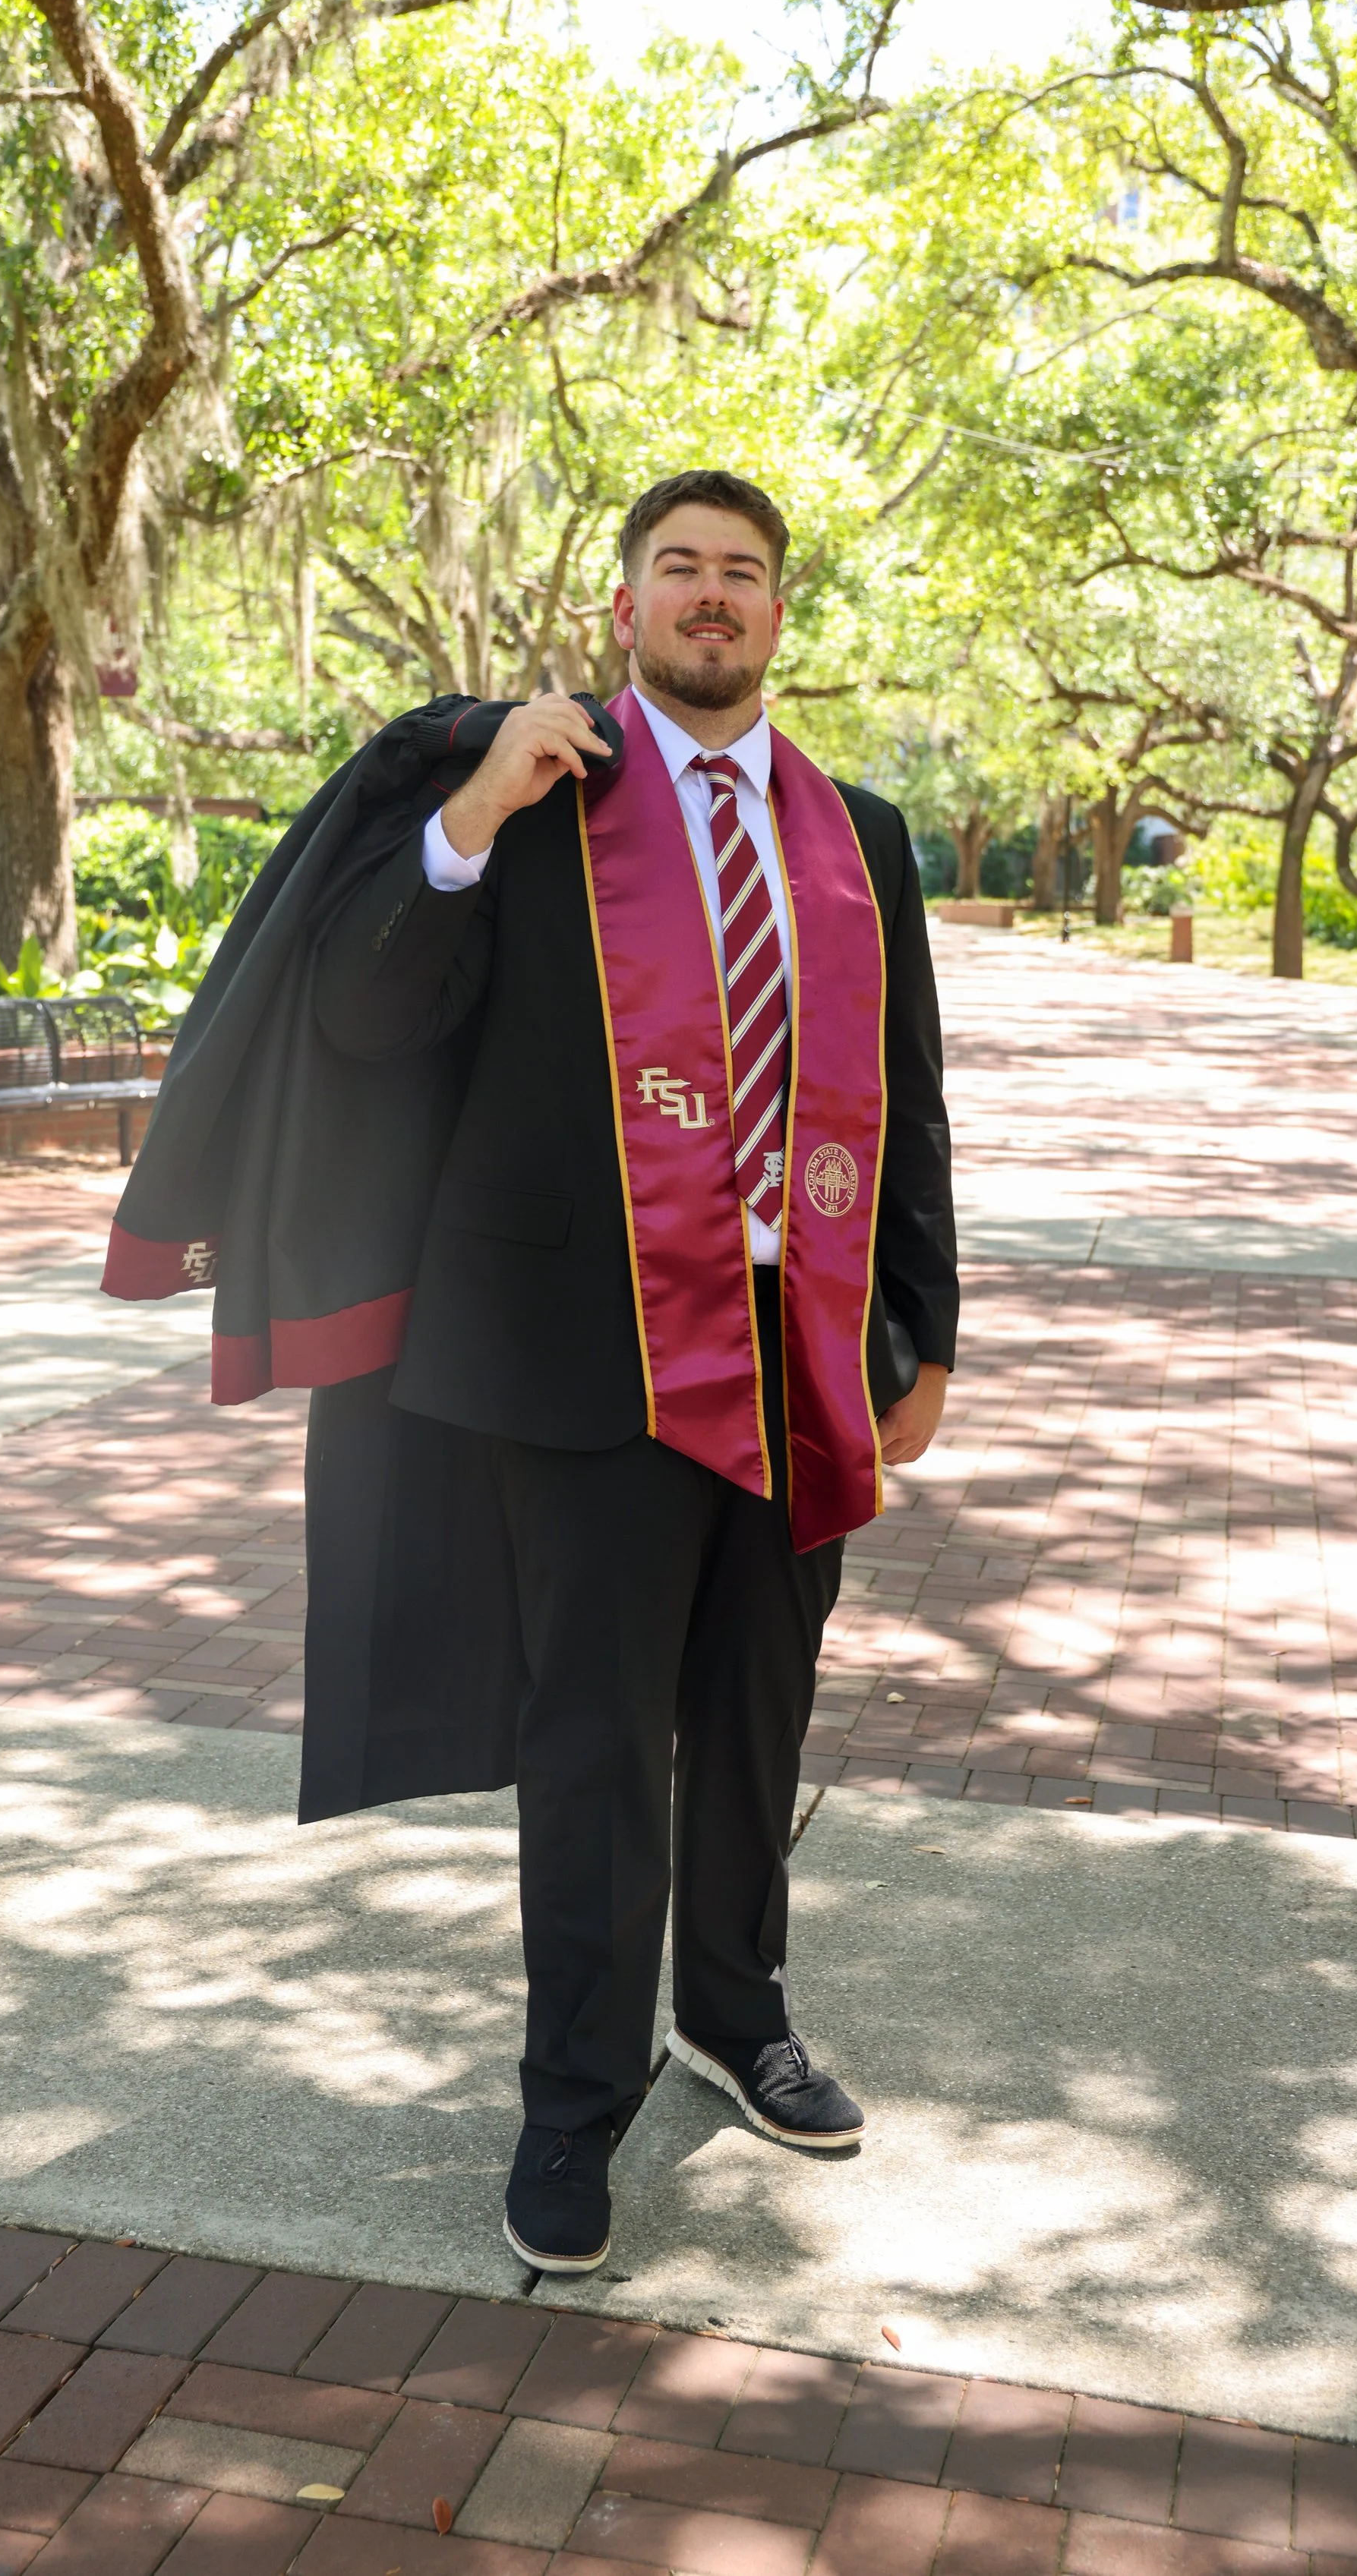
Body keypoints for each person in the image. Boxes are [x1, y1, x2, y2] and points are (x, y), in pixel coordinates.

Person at [307, 468, 958, 2272]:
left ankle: (733, 2014)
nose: (710, 596)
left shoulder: (858, 832)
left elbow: (906, 1098)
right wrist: (461, 816)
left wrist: (927, 1324)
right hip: (582, 1362)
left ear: (775, 613)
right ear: (624, 604)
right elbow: (365, 1016)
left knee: (756, 1711)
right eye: (678, 567)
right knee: (594, 1736)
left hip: (796, 1341)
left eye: (741, 573)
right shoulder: (535, 798)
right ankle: (571, 2099)